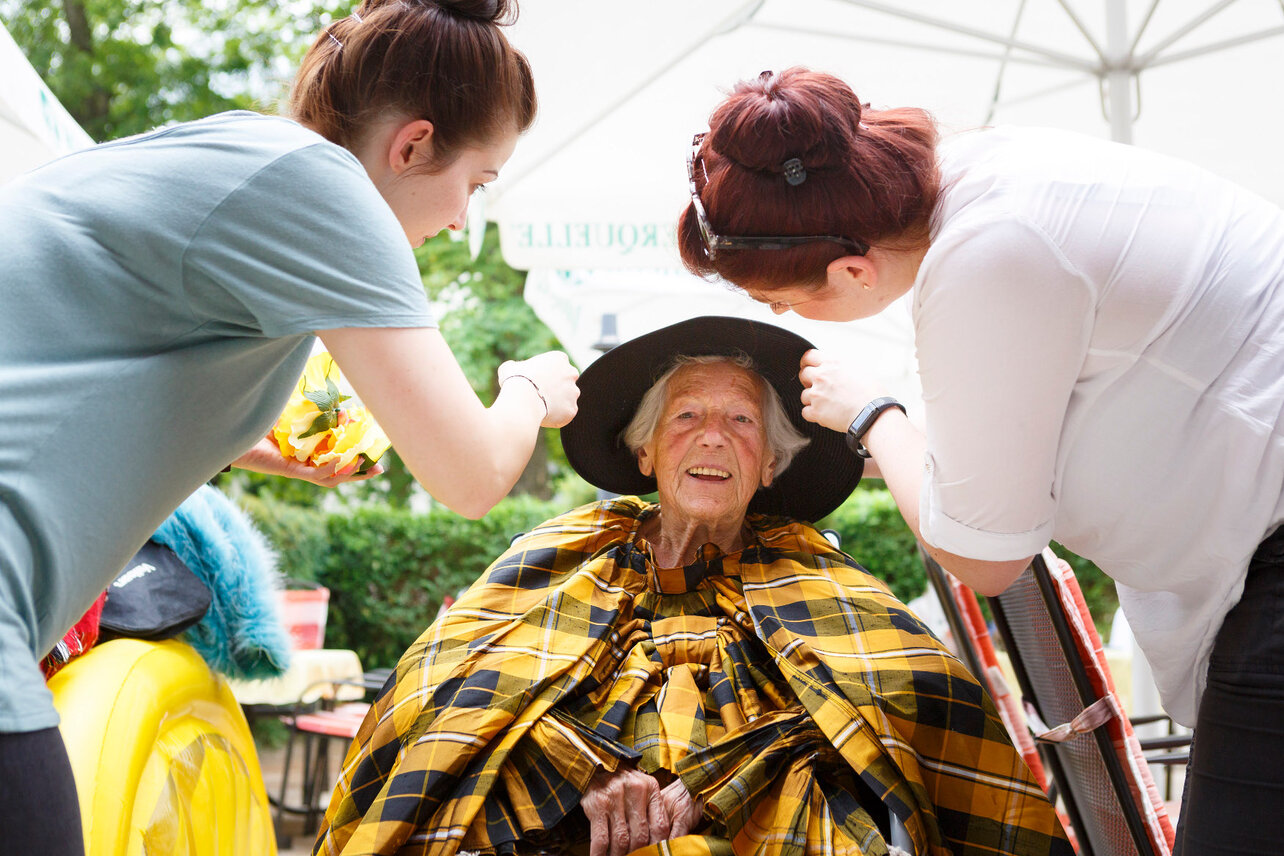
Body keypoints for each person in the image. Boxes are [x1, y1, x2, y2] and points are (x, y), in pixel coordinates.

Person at [0, 1, 579, 851]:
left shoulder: (238, 157)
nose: (461, 220)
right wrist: (530, 387)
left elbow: (81, 367)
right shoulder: (325, 189)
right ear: (413, 146)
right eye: (475, 186)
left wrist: (272, 455)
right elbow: (471, 475)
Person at [676, 66, 1284, 854]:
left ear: (853, 270)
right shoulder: (985, 179)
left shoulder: (987, 253)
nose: (788, 318)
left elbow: (984, 554)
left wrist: (874, 416)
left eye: (786, 304)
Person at [314, 316, 1072, 856]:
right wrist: (578, 772)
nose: (714, 436)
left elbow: (905, 700)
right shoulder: (571, 552)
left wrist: (719, 780)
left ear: (771, 463)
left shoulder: (812, 572)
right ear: (644, 450)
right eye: (687, 416)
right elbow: (452, 695)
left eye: (742, 420)